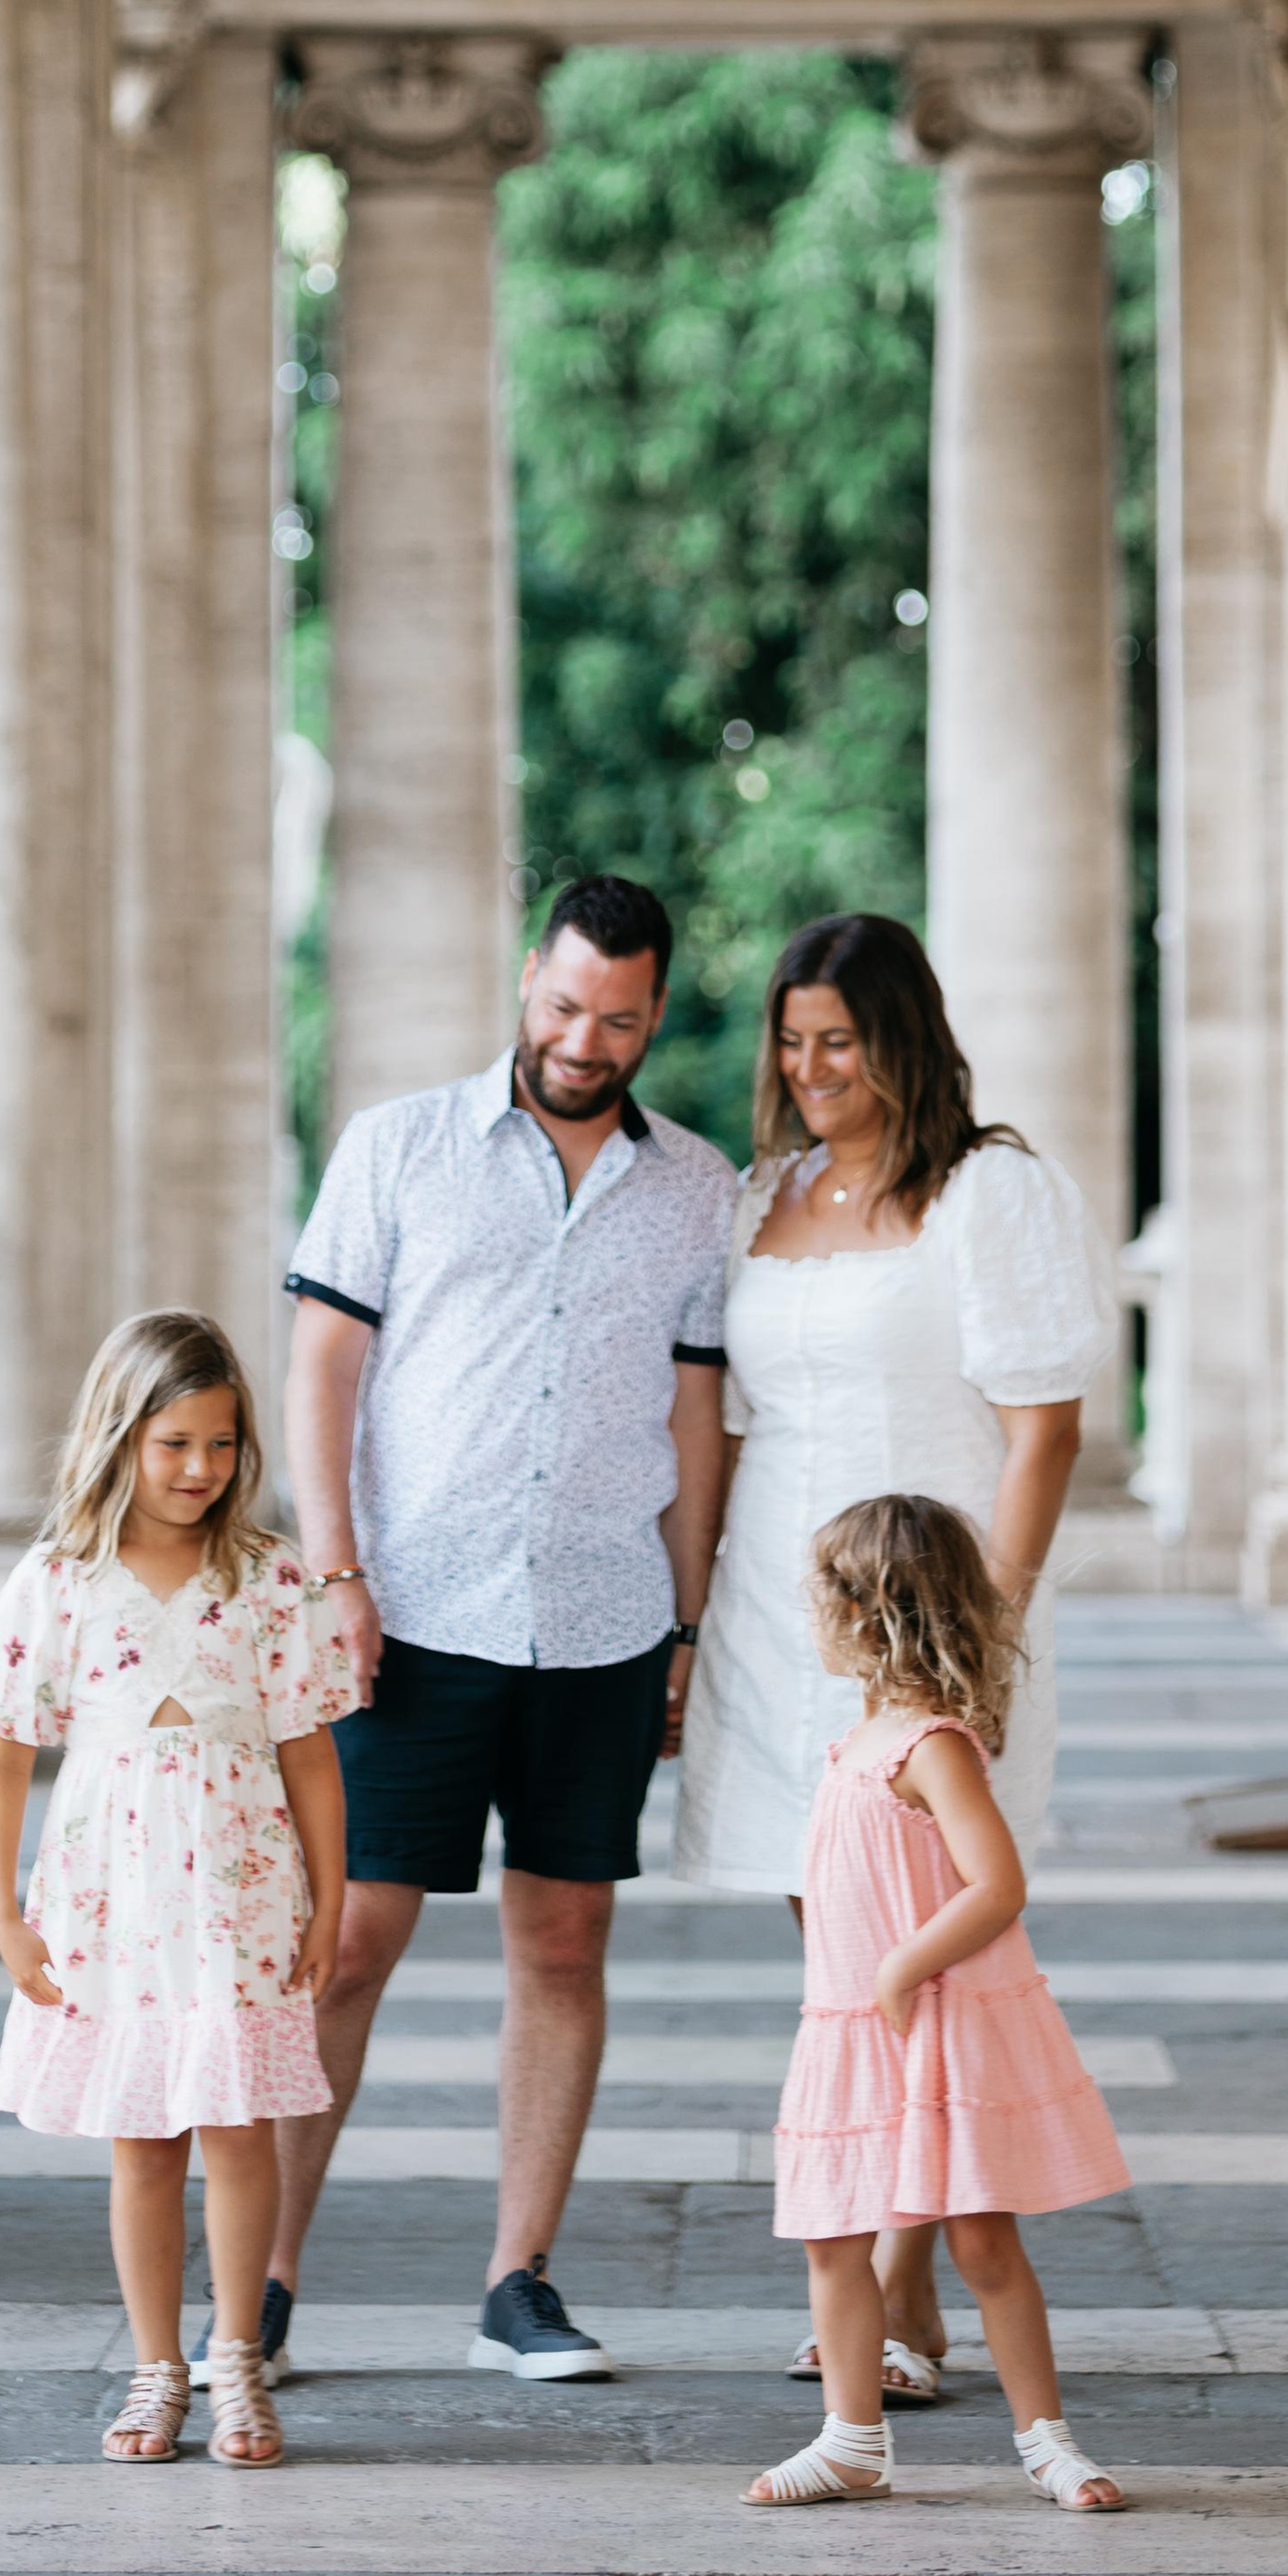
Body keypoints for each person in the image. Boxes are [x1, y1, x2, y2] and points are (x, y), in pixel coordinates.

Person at [270, 873, 738, 2383]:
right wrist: (337, 1576)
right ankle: (258, 2280)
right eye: (560, 1007)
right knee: (347, 1943)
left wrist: (683, 1622)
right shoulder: (398, 1146)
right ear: (527, 977)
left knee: (566, 1940)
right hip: (411, 1616)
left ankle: (517, 2282)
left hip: (599, 1617)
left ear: (654, 1014)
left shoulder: (697, 1188)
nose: (581, 1041)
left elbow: (694, 1411)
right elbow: (323, 1368)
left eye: (614, 1019)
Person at [673, 908, 1118, 2393]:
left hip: (935, 1622)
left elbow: (1044, 1424)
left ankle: (904, 2292)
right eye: (793, 1046)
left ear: (901, 1039)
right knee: (839, 1946)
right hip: (780, 1614)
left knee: (926, 1942)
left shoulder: (991, 1193)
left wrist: (981, 1631)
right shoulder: (764, 1194)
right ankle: (888, 2285)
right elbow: (725, 1429)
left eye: (840, 1045)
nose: (810, 1072)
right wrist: (690, 1624)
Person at [0, 1308, 356, 2471]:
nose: (199, 1469)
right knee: (142, 2140)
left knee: (237, 2130)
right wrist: (3, 1914)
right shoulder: (60, 1578)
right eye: (174, 1443)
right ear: (120, 1437)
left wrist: (328, 1905)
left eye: (222, 1444)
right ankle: (154, 2366)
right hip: (108, 1899)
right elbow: (4, 1752)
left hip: (238, 1894)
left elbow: (309, 1753)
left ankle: (237, 2363)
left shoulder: (269, 1576)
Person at [747, 1493, 1128, 2513]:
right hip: (848, 2032)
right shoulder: (860, 1740)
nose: (812, 1616)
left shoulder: (932, 1746)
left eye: (822, 1598)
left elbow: (996, 1884)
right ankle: (849, 2439)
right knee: (834, 2238)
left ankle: (1045, 2439)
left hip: (927, 2026)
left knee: (981, 2243)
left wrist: (899, 1970)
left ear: (872, 1612)